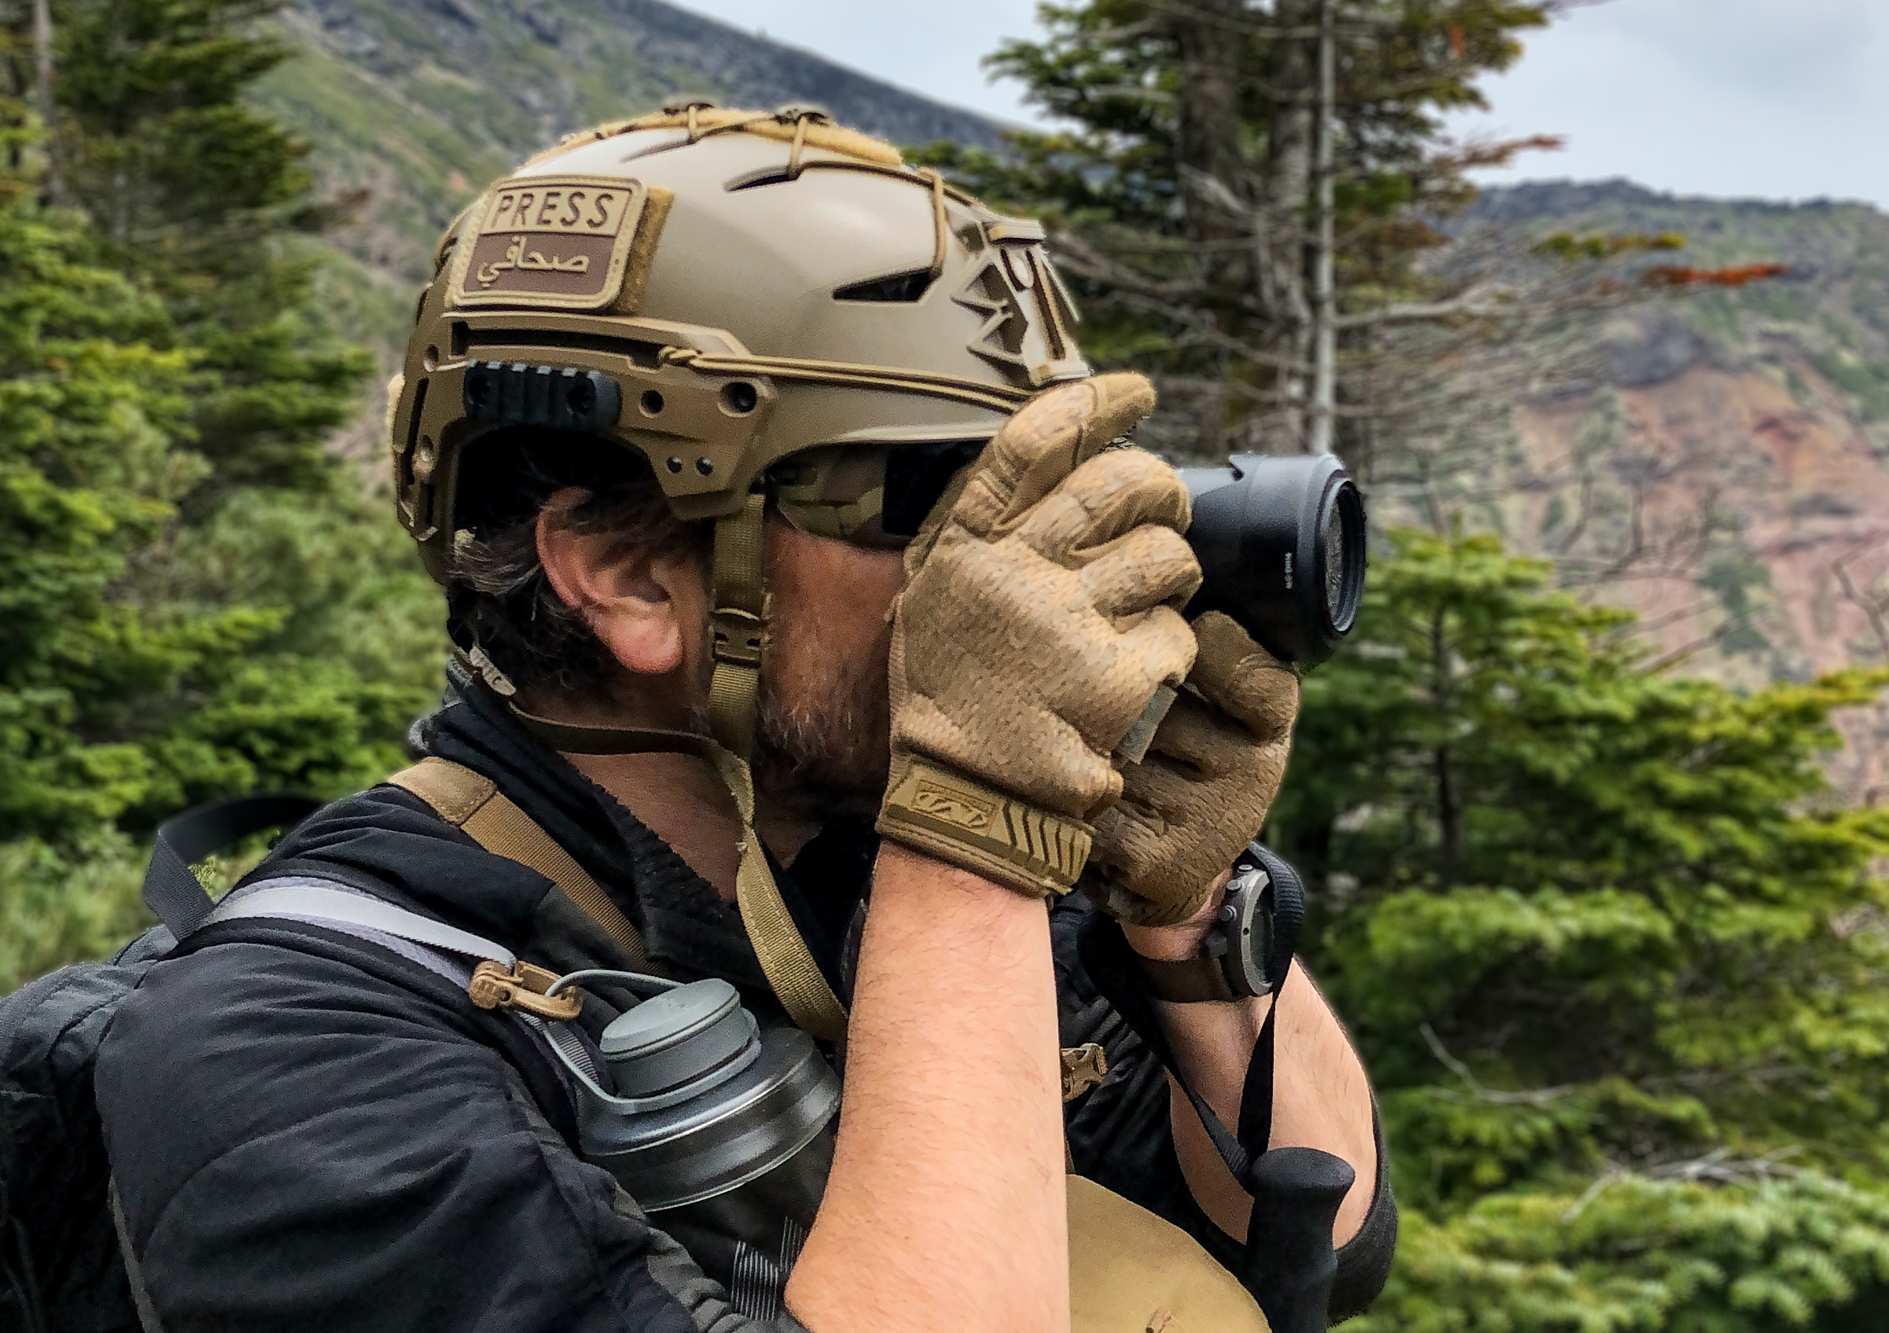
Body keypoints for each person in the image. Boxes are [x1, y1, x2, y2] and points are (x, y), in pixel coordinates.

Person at [94, 105, 1395, 1333]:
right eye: (940, 493)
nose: (1025, 570)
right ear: (627, 574)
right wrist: (977, 844)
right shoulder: (288, 1052)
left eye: (1040, 490)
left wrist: (1184, 911)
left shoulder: (903, 882)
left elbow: (1324, 1240)